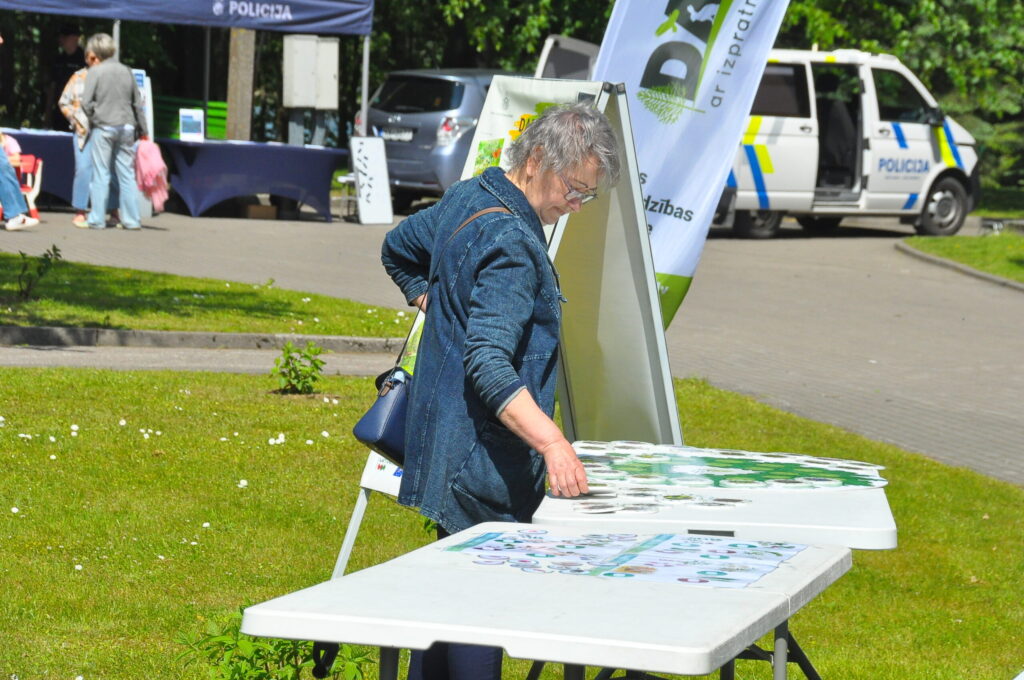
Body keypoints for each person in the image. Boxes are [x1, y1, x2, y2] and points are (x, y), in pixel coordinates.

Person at [380, 102, 620, 680]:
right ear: (536, 160)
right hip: (481, 462)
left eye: (587, 196)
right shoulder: (513, 242)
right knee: (473, 616)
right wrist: (553, 444)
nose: (575, 206)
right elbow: (488, 364)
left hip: (444, 446)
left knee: (445, 610)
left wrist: (437, 302)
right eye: (573, 189)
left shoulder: (470, 195)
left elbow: (398, 247)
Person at [81, 33, 147, 230]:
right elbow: (137, 103)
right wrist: (143, 130)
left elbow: (86, 103)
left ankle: (97, 219)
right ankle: (132, 220)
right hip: (126, 126)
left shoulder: (95, 72)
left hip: (104, 126)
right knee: (126, 174)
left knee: (101, 174)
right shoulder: (127, 70)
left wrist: (95, 118)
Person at [59, 49, 118, 228]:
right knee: (83, 169)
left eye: (99, 57)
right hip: (83, 132)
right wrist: (74, 119)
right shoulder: (77, 77)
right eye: (92, 57)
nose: (96, 60)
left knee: (110, 170)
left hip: (106, 131)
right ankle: (80, 211)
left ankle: (114, 211)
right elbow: (63, 102)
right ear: (86, 59)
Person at [47, 25, 86, 131]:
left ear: (75, 38)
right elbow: (52, 86)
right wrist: (48, 114)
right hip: (60, 110)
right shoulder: (58, 59)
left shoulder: (85, 60)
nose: (61, 39)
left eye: (65, 36)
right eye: (60, 37)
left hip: (78, 111)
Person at [0, 129, 39, 231]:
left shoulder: (9, 140)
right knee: (4, 168)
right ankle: (14, 216)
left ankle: (15, 215)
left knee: (5, 169)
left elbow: (16, 158)